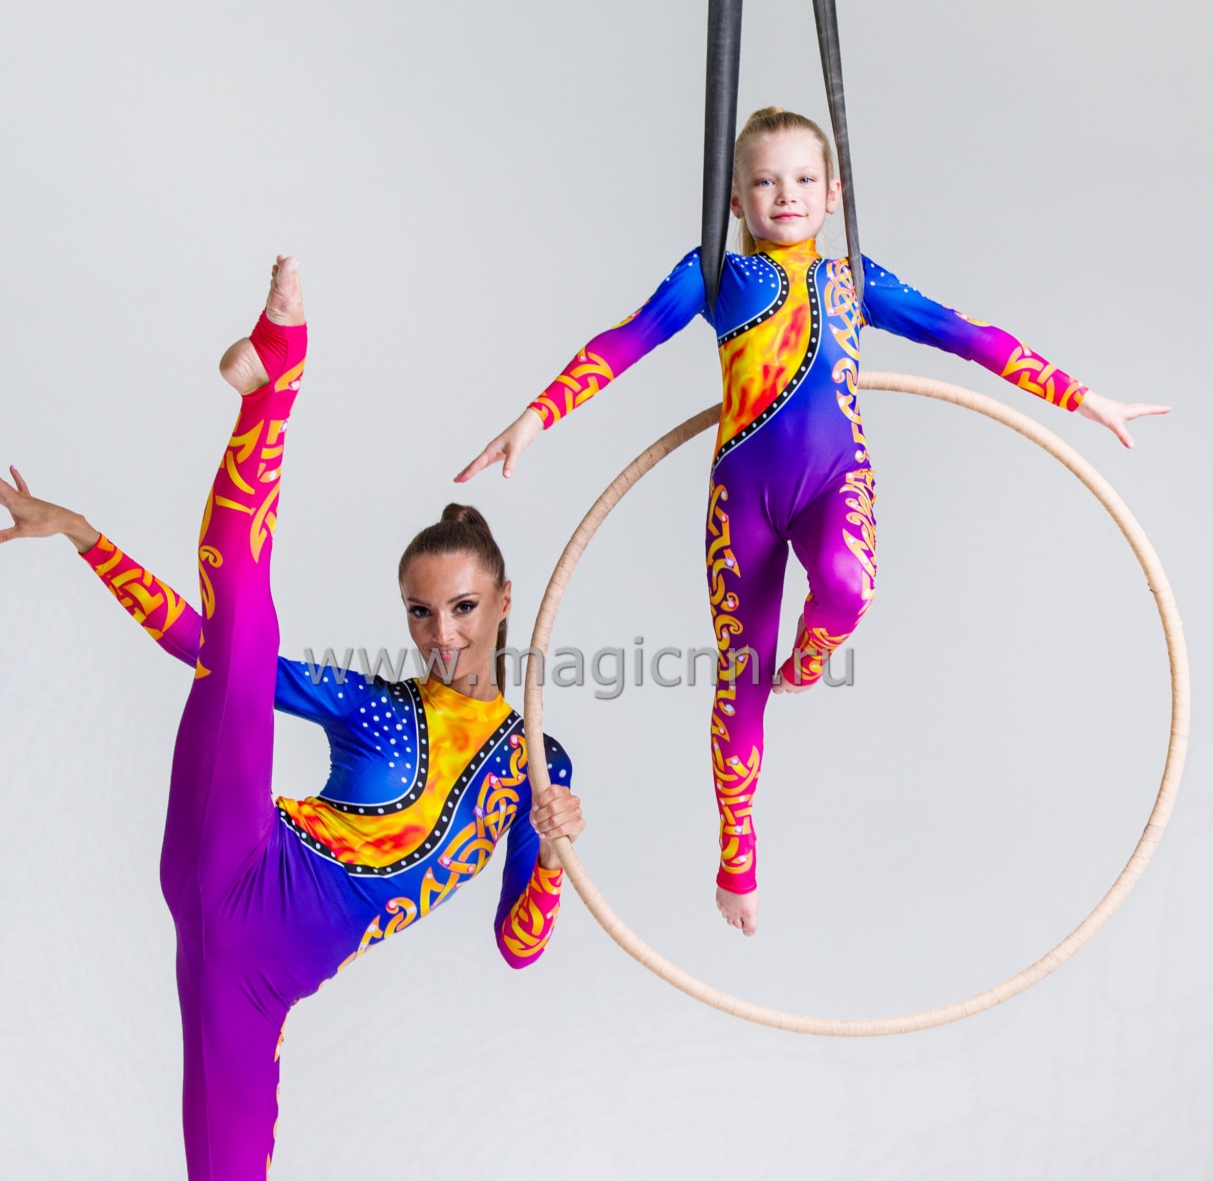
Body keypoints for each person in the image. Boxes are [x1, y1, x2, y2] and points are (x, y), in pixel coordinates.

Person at [0, 256, 583, 1181]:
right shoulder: (370, 701)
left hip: (251, 979)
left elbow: (521, 947)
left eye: (461, 608)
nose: (440, 633)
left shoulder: (536, 764)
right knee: (242, 625)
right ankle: (276, 382)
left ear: (503, 600)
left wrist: (554, 851)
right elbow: (203, 643)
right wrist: (84, 535)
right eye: (419, 612)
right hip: (240, 854)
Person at [456, 106, 1167, 938]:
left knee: (847, 588)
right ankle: (737, 860)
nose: (784, 194)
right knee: (741, 677)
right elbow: (623, 341)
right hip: (742, 504)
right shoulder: (714, 275)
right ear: (735, 199)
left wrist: (1085, 398)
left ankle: (813, 654)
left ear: (833, 193)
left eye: (801, 179)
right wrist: (534, 418)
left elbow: (968, 336)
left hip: (834, 483)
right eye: (764, 181)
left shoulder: (852, 280)